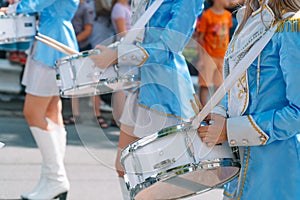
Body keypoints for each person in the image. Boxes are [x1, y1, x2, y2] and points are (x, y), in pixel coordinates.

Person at [91, 0, 204, 198]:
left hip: (165, 94)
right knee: (125, 167)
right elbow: (142, 36)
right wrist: (115, 52)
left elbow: (170, 46)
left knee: (158, 178)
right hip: (140, 87)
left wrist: (118, 55)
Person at [197, 0, 300, 199]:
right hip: (239, 168)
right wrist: (218, 114)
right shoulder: (250, 18)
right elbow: (235, 86)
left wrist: (230, 130)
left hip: (275, 174)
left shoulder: (292, 27)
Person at [2, 0, 79, 199]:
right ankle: (50, 179)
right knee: (51, 111)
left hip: (51, 42)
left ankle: (56, 179)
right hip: (54, 38)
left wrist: (13, 7)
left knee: (33, 112)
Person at [196, 0, 232, 106]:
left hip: (222, 57)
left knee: (220, 86)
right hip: (209, 56)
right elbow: (200, 39)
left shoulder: (228, 15)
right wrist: (201, 59)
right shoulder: (207, 16)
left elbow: (227, 37)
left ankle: (216, 110)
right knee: (205, 84)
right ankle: (203, 110)